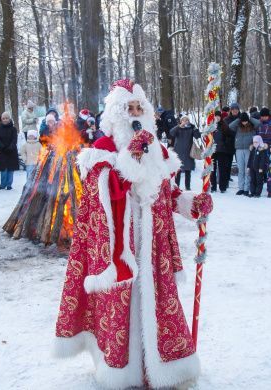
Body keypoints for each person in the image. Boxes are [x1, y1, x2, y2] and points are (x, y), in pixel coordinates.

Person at [54, 79, 210, 389]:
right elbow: (105, 192)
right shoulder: (102, 150)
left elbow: (166, 191)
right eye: (129, 108)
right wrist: (131, 158)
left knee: (157, 301)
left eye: (140, 107)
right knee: (121, 305)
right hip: (119, 249)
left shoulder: (158, 150)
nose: (135, 113)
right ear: (115, 115)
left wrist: (191, 204)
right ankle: (122, 371)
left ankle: (166, 367)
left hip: (153, 248)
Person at [230, 112, 259, 195]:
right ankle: (241, 188)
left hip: (248, 150)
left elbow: (259, 123)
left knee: (248, 169)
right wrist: (239, 119)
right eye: (243, 121)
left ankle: (246, 188)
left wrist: (250, 118)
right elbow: (230, 126)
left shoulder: (252, 126)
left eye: (245, 121)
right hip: (239, 149)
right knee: (241, 170)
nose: (244, 122)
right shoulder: (238, 126)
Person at [170, 115, 201, 190]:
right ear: (181, 121)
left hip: (188, 152)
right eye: (183, 120)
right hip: (178, 152)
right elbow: (171, 133)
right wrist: (179, 126)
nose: (185, 121)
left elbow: (198, 136)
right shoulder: (178, 128)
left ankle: (188, 187)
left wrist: (195, 128)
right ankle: (177, 187)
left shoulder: (191, 128)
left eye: (187, 120)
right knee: (178, 170)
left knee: (188, 170)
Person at [211, 110, 235, 192]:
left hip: (222, 150)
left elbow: (230, 136)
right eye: (215, 116)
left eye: (218, 116)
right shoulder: (210, 126)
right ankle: (213, 186)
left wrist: (225, 143)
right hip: (212, 150)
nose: (217, 117)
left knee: (222, 169)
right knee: (212, 169)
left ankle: (222, 187)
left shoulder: (224, 125)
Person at [0, 112, 19, 190]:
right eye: (3, 118)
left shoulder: (13, 129)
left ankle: (9, 184)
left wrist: (10, 147)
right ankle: (2, 184)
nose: (5, 120)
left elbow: (14, 139)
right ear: (1, 119)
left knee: (10, 169)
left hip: (11, 151)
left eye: (6, 118)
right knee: (3, 169)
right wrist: (2, 146)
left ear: (9, 119)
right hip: (2, 151)